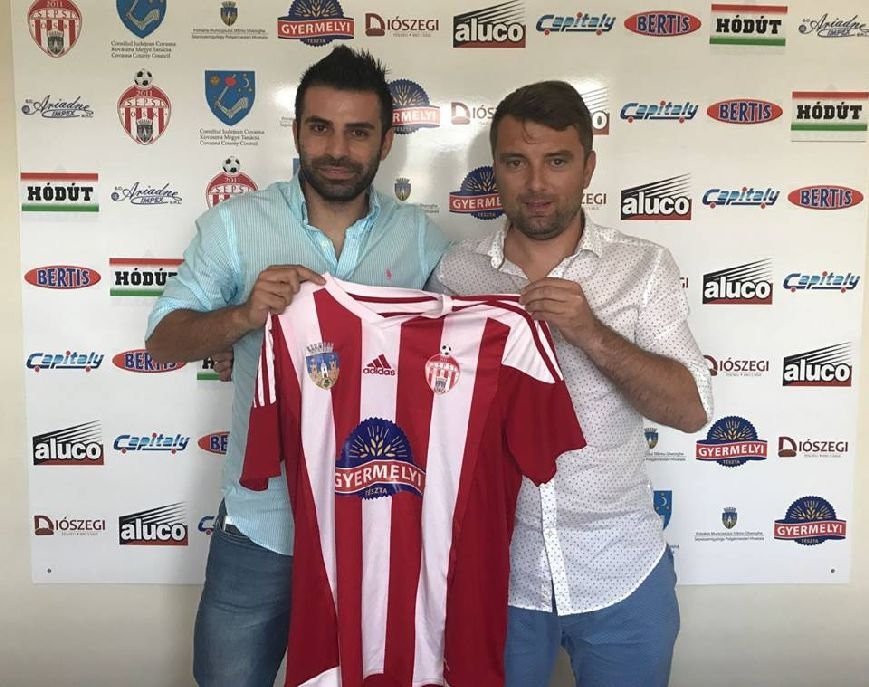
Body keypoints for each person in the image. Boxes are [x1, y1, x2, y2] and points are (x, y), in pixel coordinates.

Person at [145, 46, 448, 687]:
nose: (337, 149)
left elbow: (452, 360)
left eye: (358, 132)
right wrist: (242, 316)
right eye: (321, 128)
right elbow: (163, 342)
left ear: (386, 142)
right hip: (263, 524)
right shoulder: (234, 226)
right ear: (297, 132)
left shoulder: (421, 239)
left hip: (375, 523)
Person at [430, 81, 713, 687]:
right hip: (499, 575)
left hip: (622, 571)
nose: (536, 184)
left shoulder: (643, 266)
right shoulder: (457, 273)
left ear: (588, 167)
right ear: (495, 169)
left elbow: (691, 410)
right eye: (516, 162)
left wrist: (591, 332)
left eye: (557, 161)